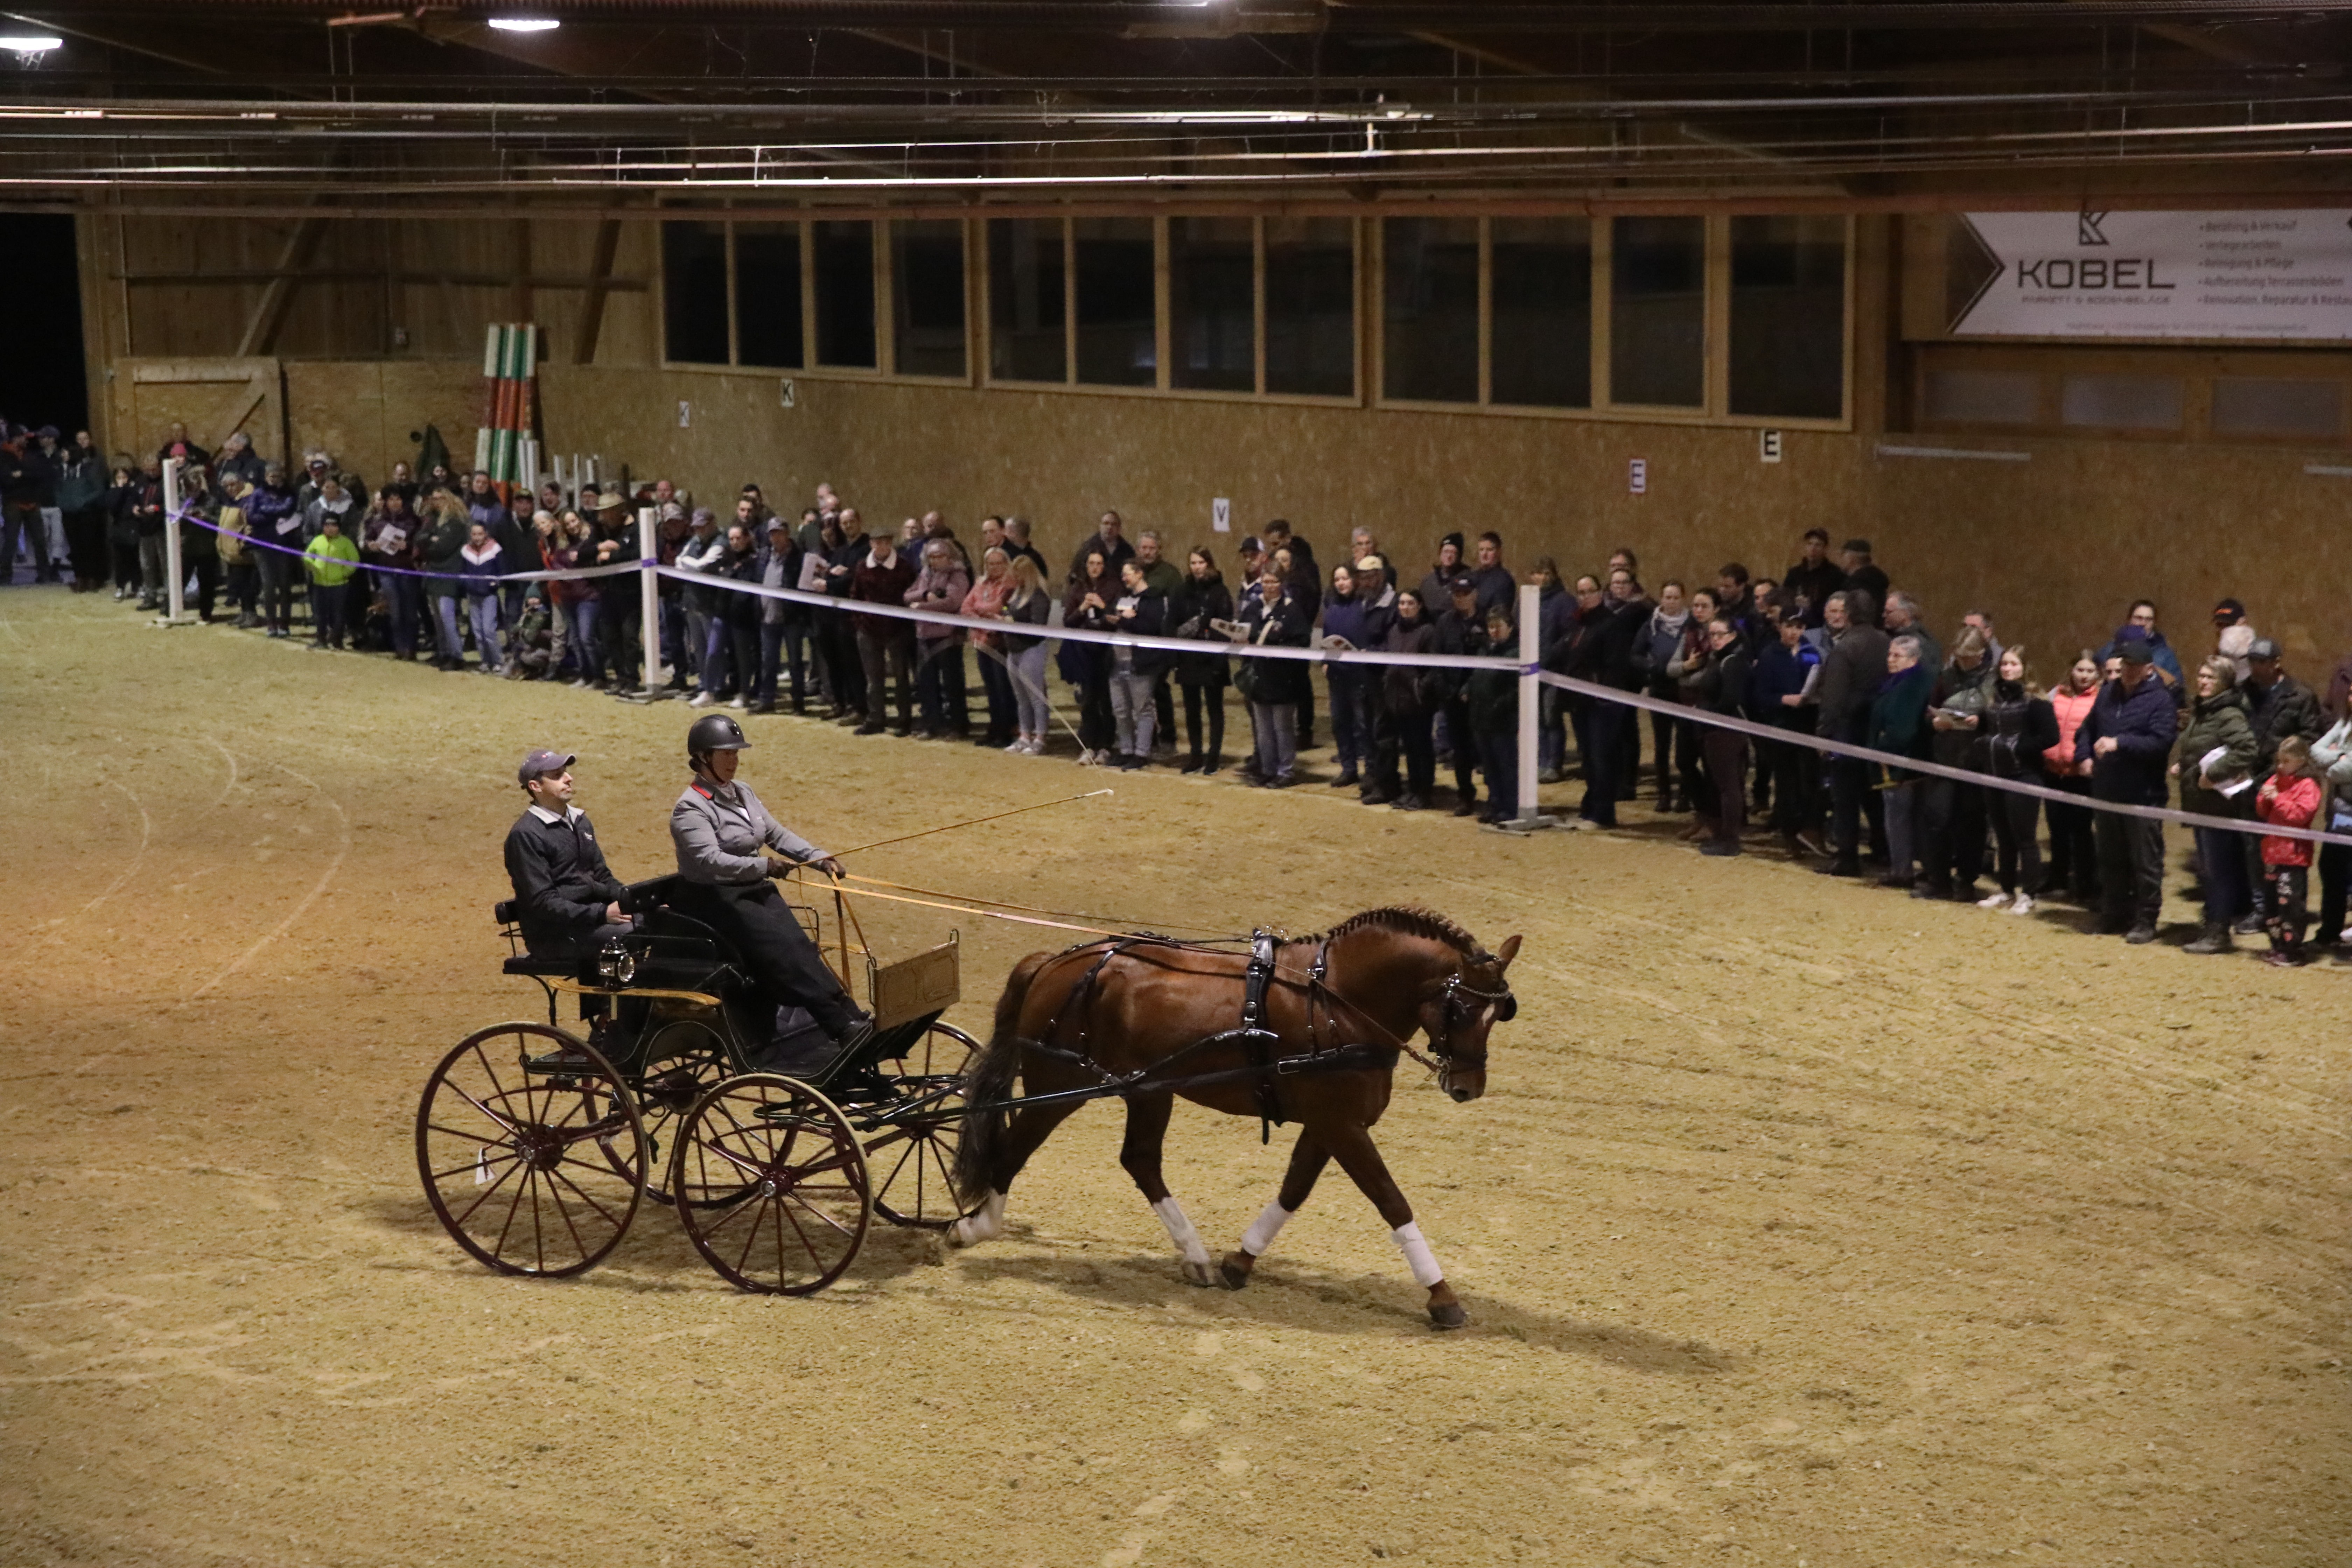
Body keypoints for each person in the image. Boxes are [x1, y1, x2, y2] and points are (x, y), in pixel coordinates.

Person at [667, 715, 875, 1071]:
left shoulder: (743, 792)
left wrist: (818, 858)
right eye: (726, 754)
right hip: (717, 901)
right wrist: (764, 866)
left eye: (736, 753)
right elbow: (710, 861)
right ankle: (839, 1026)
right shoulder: (690, 808)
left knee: (801, 947)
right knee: (784, 953)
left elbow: (776, 834)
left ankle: (849, 1013)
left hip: (753, 891)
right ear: (703, 757)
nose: (734, 760)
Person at [2074, 637, 2176, 944]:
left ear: (2148, 669)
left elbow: (2161, 742)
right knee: (2110, 857)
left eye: (2133, 666)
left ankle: (2146, 918)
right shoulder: (2108, 693)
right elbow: (2088, 728)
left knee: (2145, 861)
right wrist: (2084, 756)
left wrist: (2121, 743)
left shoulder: (2161, 701)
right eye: (2124, 665)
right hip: (2107, 789)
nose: (2127, 671)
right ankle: (2114, 912)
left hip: (2143, 794)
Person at [2170, 657, 2258, 955]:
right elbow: (2202, 747)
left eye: (2211, 677)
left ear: (2225, 682)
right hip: (2201, 804)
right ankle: (2212, 925)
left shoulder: (2228, 714)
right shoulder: (2204, 711)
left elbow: (2246, 749)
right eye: (2202, 675)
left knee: (2219, 871)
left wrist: (2214, 774)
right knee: (2210, 870)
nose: (2204, 681)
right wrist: (2186, 765)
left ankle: (2219, 931)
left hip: (2218, 806)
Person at [1975, 646, 2058, 915]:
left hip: (2024, 775)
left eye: (2013, 664)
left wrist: (2018, 748)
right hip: (1995, 774)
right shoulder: (1993, 698)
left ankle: (2029, 894)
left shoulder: (2036, 702)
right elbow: (1987, 729)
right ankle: (2006, 890)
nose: (2008, 669)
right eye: (2005, 664)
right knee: (2004, 838)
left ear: (2025, 668)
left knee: (2025, 838)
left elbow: (2051, 736)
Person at [1816, 589, 1891, 878]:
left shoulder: (1846, 647)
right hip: (1877, 729)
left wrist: (1824, 734)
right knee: (1874, 794)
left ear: (1847, 614)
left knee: (1845, 796)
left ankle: (1847, 857)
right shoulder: (1886, 642)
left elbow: (1833, 697)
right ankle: (1883, 848)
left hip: (1848, 729)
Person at [1919, 625, 1995, 901]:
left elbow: (2002, 716)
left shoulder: (1993, 680)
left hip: (1976, 761)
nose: (1962, 661)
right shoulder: (1946, 677)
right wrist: (1935, 722)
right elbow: (1929, 710)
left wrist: (1982, 722)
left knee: (1971, 824)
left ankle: (1966, 880)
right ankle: (1938, 879)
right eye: (1959, 655)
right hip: (1945, 758)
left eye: (1968, 657)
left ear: (1981, 654)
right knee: (1937, 819)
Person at [1752, 597, 1823, 855]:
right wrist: (1784, 699)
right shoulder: (1770, 655)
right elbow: (1760, 695)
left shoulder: (1812, 654)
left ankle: (1809, 830)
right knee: (1786, 783)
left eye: (1799, 627)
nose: (1794, 632)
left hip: (1807, 723)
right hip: (1781, 725)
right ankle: (1789, 834)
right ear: (1780, 626)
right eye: (1790, 626)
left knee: (1809, 782)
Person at [1869, 634, 1936, 888]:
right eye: (1890, 654)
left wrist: (1881, 747)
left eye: (1897, 656)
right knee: (1915, 819)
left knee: (1898, 819)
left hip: (1899, 763)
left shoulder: (1909, 686)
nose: (1891, 660)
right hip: (1914, 761)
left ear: (1913, 659)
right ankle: (1924, 868)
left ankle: (1902, 871)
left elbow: (1902, 729)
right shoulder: (1906, 681)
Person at [1236, 562, 1310, 787]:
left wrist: (1276, 645)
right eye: (1265, 582)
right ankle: (1267, 769)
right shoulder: (1253, 608)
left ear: (1282, 584)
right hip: (1260, 679)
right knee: (1264, 730)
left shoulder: (1292, 611)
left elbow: (1302, 643)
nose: (1269, 586)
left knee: (1282, 728)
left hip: (1283, 680)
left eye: (1274, 582)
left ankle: (1285, 771)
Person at [1686, 615, 1753, 856]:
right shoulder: (1720, 659)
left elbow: (1730, 700)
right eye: (1712, 635)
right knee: (1725, 786)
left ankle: (1730, 839)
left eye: (1720, 635)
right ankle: (1724, 834)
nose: (1715, 639)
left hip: (1726, 732)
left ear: (1733, 636)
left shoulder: (1733, 662)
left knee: (1729, 787)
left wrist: (1704, 711)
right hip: (1717, 731)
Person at [2043, 651, 2104, 904]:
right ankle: (2058, 879)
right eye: (2080, 670)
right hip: (2053, 772)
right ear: (2072, 670)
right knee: (2056, 828)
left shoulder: (2101, 699)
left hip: (2080, 775)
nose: (2084, 676)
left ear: (2098, 674)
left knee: (2081, 831)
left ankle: (2084, 883)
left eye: (2090, 671)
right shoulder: (2056, 694)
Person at [2256, 736, 2321, 966]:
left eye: (2286, 761)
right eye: (2279, 761)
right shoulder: (2276, 779)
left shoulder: (2308, 786)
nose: (2280, 766)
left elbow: (2301, 815)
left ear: (2301, 761)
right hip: (2272, 852)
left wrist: (2278, 798)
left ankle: (2293, 950)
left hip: (2294, 856)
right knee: (2272, 904)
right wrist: (2264, 797)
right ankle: (2277, 946)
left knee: (2291, 904)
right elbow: (2263, 812)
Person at [1378, 587, 1441, 811]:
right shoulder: (1394, 631)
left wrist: (1421, 688)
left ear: (1420, 606)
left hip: (1418, 702)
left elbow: (1434, 667)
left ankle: (1424, 792)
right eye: (1402, 603)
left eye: (1410, 603)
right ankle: (1413, 790)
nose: (1405, 608)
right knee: (1410, 750)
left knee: (1421, 748)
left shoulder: (1428, 632)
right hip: (1398, 700)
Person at [852, 529, 919, 736]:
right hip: (869, 629)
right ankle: (876, 718)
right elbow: (856, 595)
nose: (881, 546)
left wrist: (906, 624)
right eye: (877, 542)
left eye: (885, 542)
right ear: (871, 544)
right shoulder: (862, 566)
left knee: (901, 677)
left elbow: (911, 594)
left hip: (898, 630)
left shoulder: (905, 567)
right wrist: (859, 621)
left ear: (891, 543)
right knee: (874, 678)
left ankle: (904, 719)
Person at [1106, 557, 1171, 770]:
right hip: (1117, 662)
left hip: (1141, 663)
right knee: (1121, 709)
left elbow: (1150, 627)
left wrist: (1126, 620)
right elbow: (1114, 616)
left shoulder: (1154, 599)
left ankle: (1142, 752)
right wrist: (1120, 618)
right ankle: (1126, 750)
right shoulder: (1123, 598)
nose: (1124, 578)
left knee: (1143, 709)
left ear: (1140, 573)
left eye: (1128, 574)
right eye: (1123, 575)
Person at [1634, 581, 1692, 812]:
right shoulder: (1651, 625)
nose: (1671, 602)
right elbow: (1635, 655)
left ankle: (1686, 794)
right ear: (1661, 599)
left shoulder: (1691, 625)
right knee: (1662, 745)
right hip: (1659, 691)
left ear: (1683, 599)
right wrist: (1652, 667)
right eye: (1668, 597)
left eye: (1676, 598)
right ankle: (1664, 793)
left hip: (1684, 692)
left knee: (1685, 747)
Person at [906, 537, 972, 740]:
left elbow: (952, 602)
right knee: (927, 682)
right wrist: (926, 595)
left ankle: (958, 726)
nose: (935, 560)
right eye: (932, 557)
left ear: (949, 556)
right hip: (924, 634)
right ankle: (932, 724)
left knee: (952, 683)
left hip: (947, 636)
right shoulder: (925, 574)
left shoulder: (958, 576)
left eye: (939, 556)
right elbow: (908, 596)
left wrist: (921, 607)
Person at [1173, 548, 1232, 775]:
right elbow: (1173, 621)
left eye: (1201, 562)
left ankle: (1214, 757)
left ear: (1209, 564)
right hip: (1189, 658)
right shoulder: (1183, 591)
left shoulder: (1220, 591)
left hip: (1212, 659)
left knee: (1215, 709)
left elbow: (1225, 624)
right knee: (1192, 710)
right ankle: (1196, 755)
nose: (1197, 567)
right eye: (1193, 563)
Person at [1434, 575, 1489, 817]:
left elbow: (1491, 658)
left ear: (1475, 594)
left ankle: (1497, 796)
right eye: (1457, 594)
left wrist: (1472, 689)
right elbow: (1437, 658)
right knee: (1460, 751)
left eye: (1465, 594)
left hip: (1481, 698)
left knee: (1486, 749)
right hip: (1453, 698)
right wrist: (1447, 691)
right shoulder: (1445, 623)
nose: (1461, 599)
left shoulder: (1487, 621)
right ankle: (1465, 795)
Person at [1463, 605, 1521, 825]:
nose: (1494, 631)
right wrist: (1467, 689)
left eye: (1498, 627)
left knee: (1505, 766)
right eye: (1491, 627)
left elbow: (1517, 689)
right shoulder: (1485, 650)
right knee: (1489, 768)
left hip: (1502, 721)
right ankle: (1495, 805)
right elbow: (1477, 675)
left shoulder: (1517, 653)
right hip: (1481, 718)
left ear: (1510, 627)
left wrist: (1500, 705)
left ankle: (1510, 807)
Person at [1061, 547, 1120, 762]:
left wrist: (1103, 607)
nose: (1095, 568)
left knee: (1106, 700)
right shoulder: (1078, 589)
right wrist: (1083, 608)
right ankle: (1088, 745)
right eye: (1091, 564)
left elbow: (1117, 619)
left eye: (1099, 564)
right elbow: (1068, 621)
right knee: (1088, 700)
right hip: (1084, 651)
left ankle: (1106, 745)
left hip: (1106, 651)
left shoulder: (1114, 587)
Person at [998, 554, 1055, 756]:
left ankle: (1040, 737)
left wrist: (1014, 624)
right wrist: (1005, 616)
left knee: (1036, 695)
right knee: (1021, 696)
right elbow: (1007, 609)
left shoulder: (1039, 597)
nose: (1016, 579)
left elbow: (1037, 626)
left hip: (1032, 649)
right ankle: (1024, 735)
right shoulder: (1016, 594)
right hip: (1014, 649)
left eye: (1019, 575)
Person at [1321, 562, 1371, 789]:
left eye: (1345, 578)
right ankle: (1348, 768)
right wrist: (1325, 661)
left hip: (1360, 675)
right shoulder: (1332, 609)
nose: (1341, 583)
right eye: (1337, 580)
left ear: (1354, 579)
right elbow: (1326, 637)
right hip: (1337, 675)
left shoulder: (1364, 606)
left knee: (1363, 724)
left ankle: (1370, 770)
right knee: (1340, 723)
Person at [962, 545, 1017, 747]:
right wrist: (983, 618)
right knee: (991, 688)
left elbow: (998, 608)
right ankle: (994, 728)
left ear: (1006, 564)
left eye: (998, 563)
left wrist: (980, 610)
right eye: (990, 564)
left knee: (1003, 688)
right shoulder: (980, 583)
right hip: (981, 642)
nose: (994, 567)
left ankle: (1006, 731)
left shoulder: (1010, 585)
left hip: (1000, 642)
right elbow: (966, 608)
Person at [2096, 600, 2185, 692]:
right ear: (2129, 619)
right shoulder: (2110, 649)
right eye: (2139, 618)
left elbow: (2177, 688)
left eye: (2149, 620)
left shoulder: (2165, 654)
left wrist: (2147, 666)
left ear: (2154, 623)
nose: (2143, 623)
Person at [302, 513, 361, 650]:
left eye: (334, 526)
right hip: (320, 584)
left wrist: (344, 573)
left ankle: (337, 640)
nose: (330, 529)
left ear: (339, 527)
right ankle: (321, 639)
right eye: (327, 526)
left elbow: (354, 560)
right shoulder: (317, 541)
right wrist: (311, 566)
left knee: (338, 614)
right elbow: (308, 556)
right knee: (320, 614)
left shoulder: (346, 542)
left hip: (339, 585)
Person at [1784, 527, 1844, 629]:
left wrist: (1811, 607)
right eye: (1810, 544)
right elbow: (1785, 597)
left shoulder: (1835, 575)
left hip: (1823, 625)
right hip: (1796, 624)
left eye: (1818, 545)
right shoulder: (1795, 573)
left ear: (1825, 549)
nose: (1813, 549)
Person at [1066, 510, 1135, 581]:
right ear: (1100, 526)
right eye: (1106, 523)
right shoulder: (1088, 547)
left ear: (1119, 528)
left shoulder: (1127, 550)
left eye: (1114, 524)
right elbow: (1075, 573)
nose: (1110, 527)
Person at [1839, 539, 1889, 622]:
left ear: (1850, 558)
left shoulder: (1856, 584)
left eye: (1843, 555)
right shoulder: (1877, 581)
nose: (1841, 560)